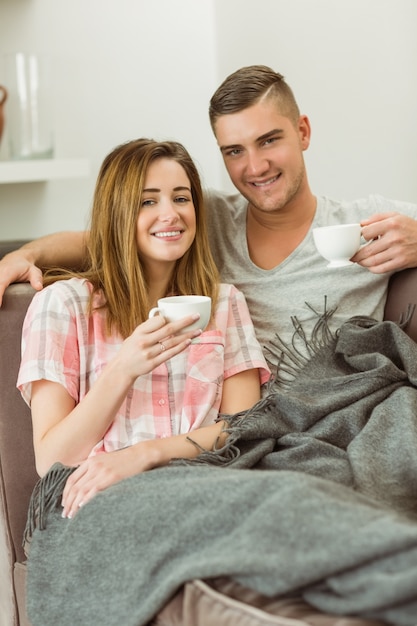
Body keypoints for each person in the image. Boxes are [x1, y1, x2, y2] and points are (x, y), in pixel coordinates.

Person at [2, 65, 417, 366]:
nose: (255, 168)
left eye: (269, 141)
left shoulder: (366, 223)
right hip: (236, 437)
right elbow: (101, 239)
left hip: (335, 425)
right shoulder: (202, 217)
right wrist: (26, 254)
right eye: (234, 151)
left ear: (303, 132)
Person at [17, 138, 270, 519]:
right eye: (147, 201)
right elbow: (52, 459)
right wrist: (125, 367)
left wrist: (146, 454)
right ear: (118, 213)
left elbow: (241, 430)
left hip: (206, 486)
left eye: (181, 198)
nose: (170, 214)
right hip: (92, 500)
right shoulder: (63, 305)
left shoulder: (223, 303)